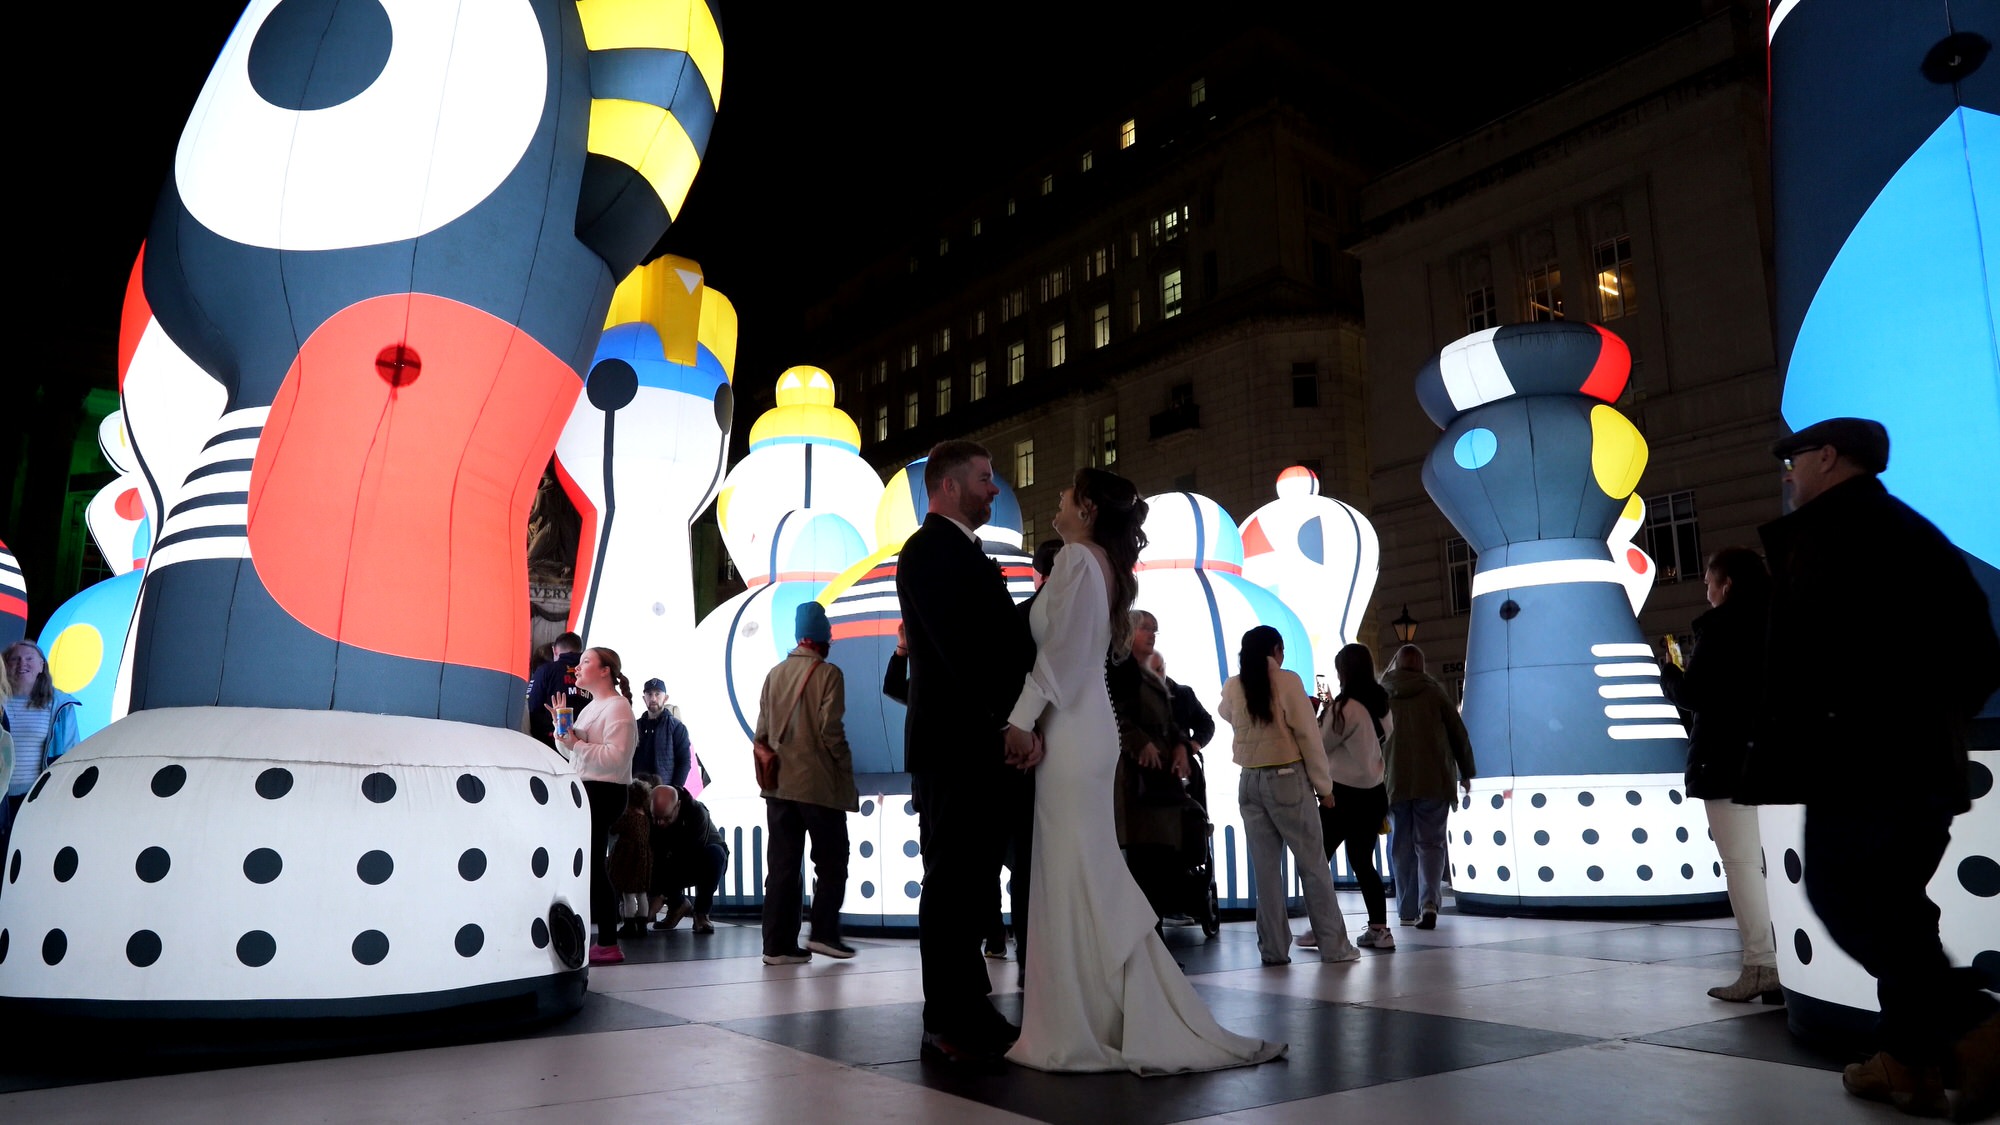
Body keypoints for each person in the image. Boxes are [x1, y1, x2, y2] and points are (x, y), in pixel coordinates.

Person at [1757, 418, 1999, 1118]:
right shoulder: (1911, 532)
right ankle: (1907, 1063)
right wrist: (1931, 718)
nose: (1788, 472)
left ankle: (1975, 1025)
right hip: (1917, 765)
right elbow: (1981, 652)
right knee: (1897, 913)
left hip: (1862, 766)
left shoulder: (1837, 536)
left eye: (1795, 459)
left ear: (1828, 457)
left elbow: (1814, 665)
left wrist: (1856, 720)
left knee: (1847, 899)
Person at [1006, 467, 1284, 1074]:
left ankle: (1086, 1020)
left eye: (1063, 493)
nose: (1055, 500)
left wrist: (1022, 719)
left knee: (1076, 870)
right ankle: (1103, 1009)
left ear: (1084, 508)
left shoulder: (1078, 561)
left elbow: (1064, 656)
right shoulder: (1098, 566)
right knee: (1083, 869)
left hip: (1070, 732)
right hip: (1080, 730)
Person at [895, 440, 1038, 1065]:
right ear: (948, 486)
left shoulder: (963, 551)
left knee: (972, 884)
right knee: (952, 884)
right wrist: (1007, 719)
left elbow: (996, 641)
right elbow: (962, 650)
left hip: (970, 744)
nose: (993, 488)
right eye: (984, 478)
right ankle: (944, 1017)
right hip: (955, 746)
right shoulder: (929, 550)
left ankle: (970, 1005)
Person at [1657, 547, 1780, 1004]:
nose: (1705, 590)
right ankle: (1787, 964)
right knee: (1775, 868)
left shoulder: (1722, 628)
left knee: (1743, 867)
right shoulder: (1777, 622)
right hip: (1774, 759)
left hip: (1727, 762)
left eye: (1709, 581)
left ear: (1726, 584)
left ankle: (1760, 964)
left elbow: (1697, 694)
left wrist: (1669, 675)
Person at [1220, 626, 1359, 964]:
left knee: (1266, 872)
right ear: (1277, 649)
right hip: (1286, 778)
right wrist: (1324, 788)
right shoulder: (1287, 681)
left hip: (1249, 782)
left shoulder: (1234, 685)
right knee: (1312, 865)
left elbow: (1225, 712)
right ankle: (1334, 947)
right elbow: (1309, 737)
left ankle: (1272, 949)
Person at [757, 602, 860, 964]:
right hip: (817, 785)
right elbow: (831, 732)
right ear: (822, 637)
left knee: (782, 866)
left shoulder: (775, 674)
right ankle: (823, 933)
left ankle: (777, 946)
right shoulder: (828, 674)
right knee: (832, 860)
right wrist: (846, 768)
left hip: (778, 787)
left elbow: (762, 732)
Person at [549, 645, 639, 966]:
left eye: (586, 661)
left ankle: (609, 943)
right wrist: (564, 736)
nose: (578, 667)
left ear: (605, 671)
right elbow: (576, 755)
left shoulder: (618, 708)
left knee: (595, 866)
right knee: (588, 865)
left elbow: (616, 757)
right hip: (590, 789)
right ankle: (601, 939)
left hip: (605, 792)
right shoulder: (591, 707)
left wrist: (577, 743)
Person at [1380, 645, 1475, 930]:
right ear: (1422, 666)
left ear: (1395, 665)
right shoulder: (1434, 692)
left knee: (1401, 844)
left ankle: (1407, 910)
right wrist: (1467, 770)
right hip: (1433, 779)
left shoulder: (1382, 694)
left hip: (1395, 780)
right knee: (1431, 844)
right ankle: (1430, 903)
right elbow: (1458, 732)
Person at [1106, 609, 1194, 915]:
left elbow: (1168, 722)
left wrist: (1182, 745)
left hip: (1158, 778)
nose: (1152, 635)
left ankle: (1156, 949)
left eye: (1155, 630)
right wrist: (1139, 741)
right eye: (1146, 629)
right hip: (1138, 782)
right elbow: (1115, 716)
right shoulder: (1120, 672)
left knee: (1158, 864)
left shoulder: (1146, 674)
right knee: (1145, 865)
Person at [1315, 643, 1395, 951]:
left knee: (1318, 860)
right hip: (1374, 794)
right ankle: (1380, 929)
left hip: (1340, 796)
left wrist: (1322, 713)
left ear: (1344, 672)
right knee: (1363, 861)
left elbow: (1321, 744)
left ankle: (1322, 927)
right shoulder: (1381, 704)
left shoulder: (1344, 708)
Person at [3, 642, 80, 853]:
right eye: (14, 659)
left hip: (36, 796)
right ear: (5, 665)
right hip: (1, 798)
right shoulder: (1, 703)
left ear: (41, 666)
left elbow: (71, 754)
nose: (22, 664)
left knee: (28, 855)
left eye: (29, 658)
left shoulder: (59, 706)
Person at [647, 781, 729, 934]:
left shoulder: (697, 812)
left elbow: (688, 855)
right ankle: (678, 904)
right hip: (670, 857)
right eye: (655, 817)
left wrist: (660, 894)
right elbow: (654, 852)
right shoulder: (651, 811)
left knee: (714, 853)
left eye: (665, 818)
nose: (659, 823)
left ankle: (701, 913)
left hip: (698, 859)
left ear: (677, 806)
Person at [607, 778, 654, 938]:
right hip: (644, 859)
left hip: (628, 860)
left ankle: (629, 924)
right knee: (641, 894)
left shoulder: (627, 816)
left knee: (628, 894)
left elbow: (613, 829)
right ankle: (642, 926)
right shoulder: (646, 818)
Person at [526, 632, 584, 748]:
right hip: (586, 741)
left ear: (555, 650)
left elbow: (532, 707)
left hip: (550, 741)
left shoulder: (546, 670)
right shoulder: (592, 674)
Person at [638, 677, 692, 787]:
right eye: (649, 694)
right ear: (644, 698)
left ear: (665, 698)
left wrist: (675, 790)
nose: (653, 698)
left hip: (664, 792)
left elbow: (684, 762)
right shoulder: (635, 726)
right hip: (637, 791)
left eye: (657, 694)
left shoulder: (677, 728)